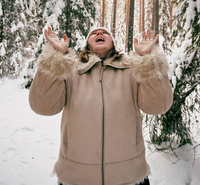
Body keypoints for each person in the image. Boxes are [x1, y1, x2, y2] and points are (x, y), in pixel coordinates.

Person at [29, 26, 173, 185]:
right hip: (76, 177)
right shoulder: (69, 70)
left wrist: (147, 60)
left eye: (104, 33)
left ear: (112, 42)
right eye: (94, 33)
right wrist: (55, 58)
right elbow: (42, 106)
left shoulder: (133, 69)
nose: (99, 33)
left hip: (129, 176)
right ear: (87, 43)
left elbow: (159, 106)